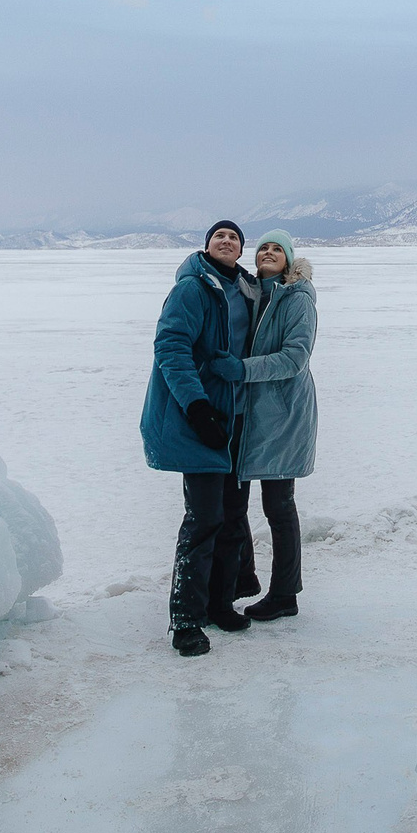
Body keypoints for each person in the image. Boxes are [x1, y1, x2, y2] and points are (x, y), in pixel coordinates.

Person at [141, 220, 261, 656]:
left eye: (234, 237)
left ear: (241, 250)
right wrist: (197, 407)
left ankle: (219, 603)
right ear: (207, 246)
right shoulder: (193, 288)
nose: (226, 241)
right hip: (204, 419)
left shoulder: (247, 290)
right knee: (204, 518)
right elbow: (171, 348)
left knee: (233, 515)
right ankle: (186, 620)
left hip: (238, 419)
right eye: (218, 236)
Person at [210, 229, 317, 622]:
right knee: (234, 501)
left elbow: (295, 358)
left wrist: (241, 370)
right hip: (250, 414)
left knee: (278, 506)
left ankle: (285, 594)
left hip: (283, 415)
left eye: (277, 249)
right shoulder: (253, 293)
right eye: (263, 248)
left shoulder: (297, 297)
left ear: (288, 259)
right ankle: (243, 578)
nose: (269, 253)